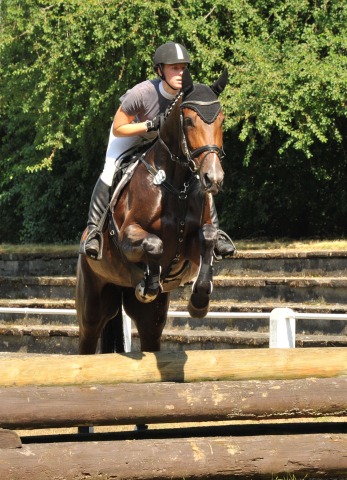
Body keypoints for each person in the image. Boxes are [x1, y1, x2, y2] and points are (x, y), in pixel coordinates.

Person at [79, 41, 236, 260]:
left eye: (183, 68)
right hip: (132, 134)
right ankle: (94, 231)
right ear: (160, 70)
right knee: (109, 170)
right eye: (174, 68)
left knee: (200, 170)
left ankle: (216, 234)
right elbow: (118, 126)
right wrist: (151, 125)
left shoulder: (189, 93)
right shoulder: (142, 93)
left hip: (163, 143)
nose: (180, 73)